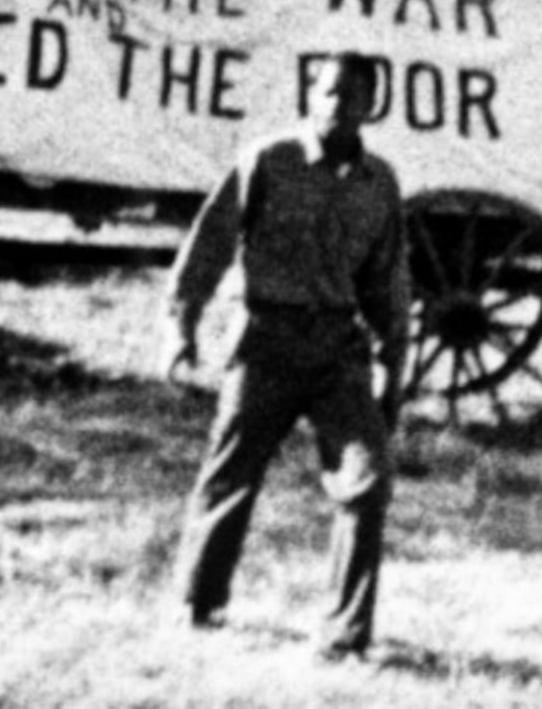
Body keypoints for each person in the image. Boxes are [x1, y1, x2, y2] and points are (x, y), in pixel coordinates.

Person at [164, 48, 414, 661]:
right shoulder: (269, 162)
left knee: (369, 483)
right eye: (326, 92)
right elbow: (210, 244)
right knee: (231, 474)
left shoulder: (380, 184)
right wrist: (181, 328)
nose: (336, 106)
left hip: (338, 351)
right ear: (309, 95)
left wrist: (393, 372)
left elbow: (389, 285)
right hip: (265, 344)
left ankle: (345, 638)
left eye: (351, 97)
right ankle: (197, 605)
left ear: (371, 106)